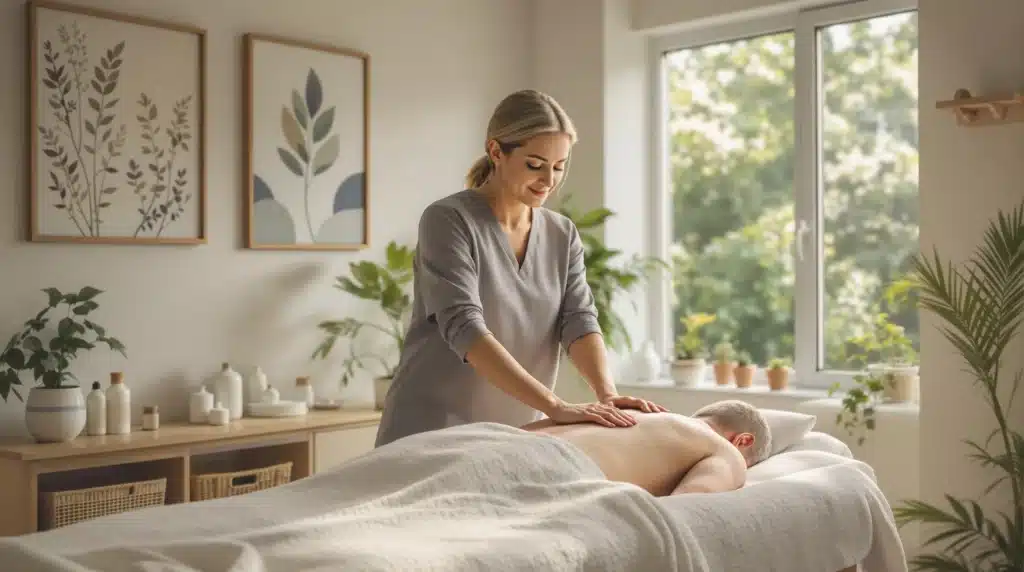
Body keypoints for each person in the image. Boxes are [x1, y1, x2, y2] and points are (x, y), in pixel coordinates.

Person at [374, 89, 666, 448]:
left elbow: (578, 319)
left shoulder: (562, 234)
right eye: (535, 164)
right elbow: (464, 328)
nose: (549, 180)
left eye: (560, 166)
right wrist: (555, 406)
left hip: (515, 436)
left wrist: (608, 394)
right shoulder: (448, 221)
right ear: (496, 152)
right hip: (431, 431)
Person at [520, 399, 772, 496]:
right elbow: (688, 505)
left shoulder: (628, 410)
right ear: (742, 441)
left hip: (497, 437)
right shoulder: (725, 451)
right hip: (549, 466)